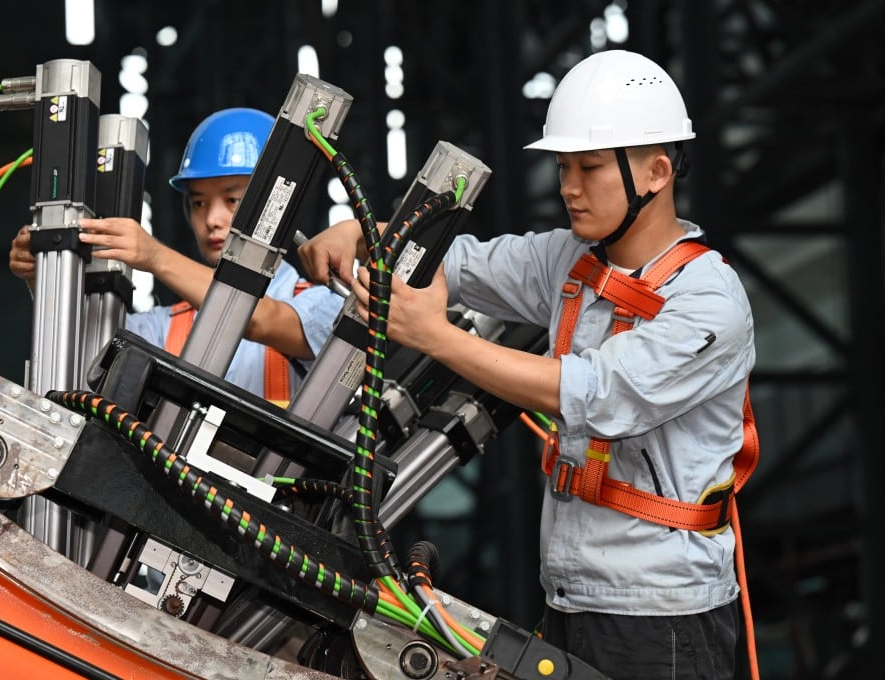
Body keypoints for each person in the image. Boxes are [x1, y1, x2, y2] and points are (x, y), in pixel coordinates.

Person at [299, 50, 756, 680]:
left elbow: (596, 394)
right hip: (572, 598)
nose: (568, 186)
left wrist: (436, 337)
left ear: (655, 172)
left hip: (662, 617)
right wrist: (363, 233)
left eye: (588, 167)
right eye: (564, 166)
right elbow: (461, 264)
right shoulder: (573, 261)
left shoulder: (709, 302)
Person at [10, 107, 343, 403]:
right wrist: (44, 277)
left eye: (233, 200)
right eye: (199, 203)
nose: (212, 219)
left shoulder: (323, 306)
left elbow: (258, 318)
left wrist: (155, 256)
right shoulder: (165, 327)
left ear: (278, 206)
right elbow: (80, 355)